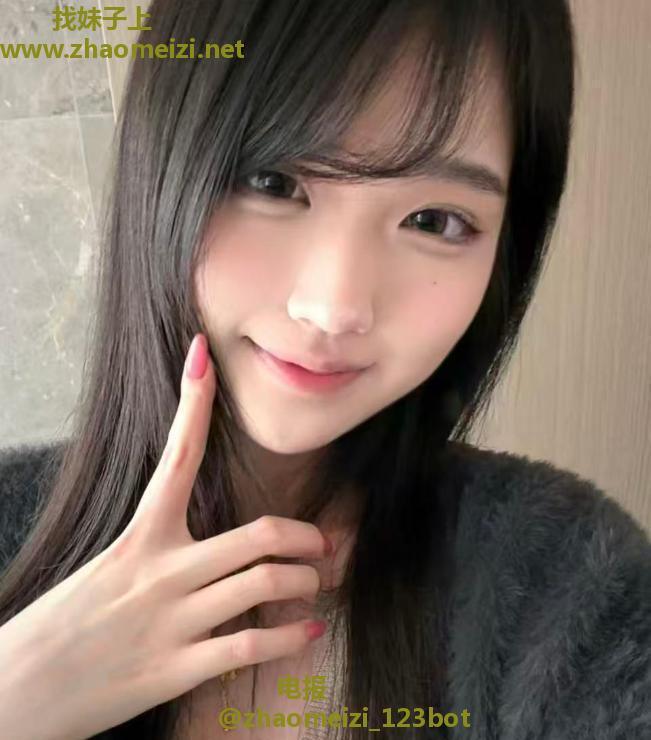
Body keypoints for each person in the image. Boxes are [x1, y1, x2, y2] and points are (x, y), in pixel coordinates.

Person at [0, 1, 649, 739]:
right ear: (162, 165)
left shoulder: (563, 588)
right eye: (274, 182)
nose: (334, 307)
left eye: (434, 221)